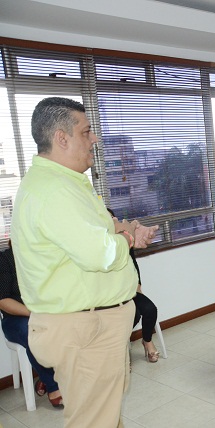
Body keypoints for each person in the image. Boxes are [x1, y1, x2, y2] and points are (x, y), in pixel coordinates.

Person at [11, 97, 158, 427]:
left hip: (90, 324)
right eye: (87, 131)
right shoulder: (54, 190)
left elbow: (97, 232)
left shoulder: (67, 184)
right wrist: (127, 238)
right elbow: (100, 254)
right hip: (83, 329)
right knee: (94, 421)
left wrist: (124, 229)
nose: (95, 139)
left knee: (101, 416)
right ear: (62, 137)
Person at [0, 245, 63, 408]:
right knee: (33, 331)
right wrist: (33, 314)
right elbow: (3, 301)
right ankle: (53, 386)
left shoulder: (39, 256)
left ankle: (50, 376)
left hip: (43, 313)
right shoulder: (5, 260)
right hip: (15, 319)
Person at [107, 208, 160, 363]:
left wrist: (138, 288)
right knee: (131, 316)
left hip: (129, 293)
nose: (113, 222)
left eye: (114, 218)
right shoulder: (102, 247)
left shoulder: (124, 243)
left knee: (150, 309)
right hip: (107, 298)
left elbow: (134, 268)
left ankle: (147, 341)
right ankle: (121, 350)